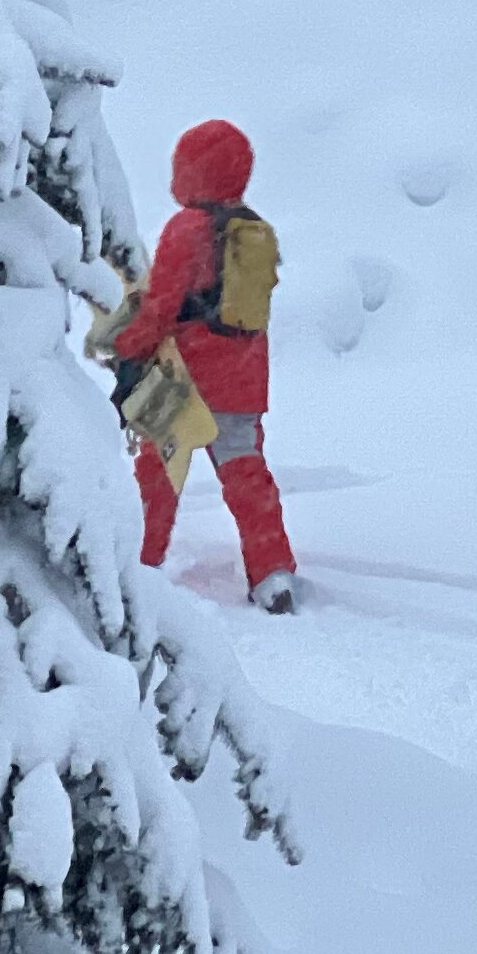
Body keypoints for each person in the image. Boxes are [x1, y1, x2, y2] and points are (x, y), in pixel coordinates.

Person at [106, 118, 299, 611]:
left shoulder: (187, 228)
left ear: (192, 171)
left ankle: (137, 566)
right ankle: (273, 575)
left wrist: (129, 351)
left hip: (184, 380)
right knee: (246, 475)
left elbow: (161, 306)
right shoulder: (253, 231)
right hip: (243, 382)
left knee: (158, 474)